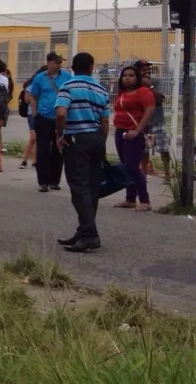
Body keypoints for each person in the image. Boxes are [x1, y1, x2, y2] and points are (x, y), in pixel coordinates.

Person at [54, 52, 111, 253]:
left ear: (72, 68)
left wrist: (60, 134)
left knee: (79, 187)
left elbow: (61, 113)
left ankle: (89, 235)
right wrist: (101, 141)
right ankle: (84, 229)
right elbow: (105, 122)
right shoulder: (101, 89)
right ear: (91, 67)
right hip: (96, 139)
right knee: (92, 187)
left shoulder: (67, 86)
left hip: (76, 139)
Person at [25, 53, 71, 193]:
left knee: (59, 150)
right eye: (56, 62)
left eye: (60, 62)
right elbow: (33, 96)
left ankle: (54, 181)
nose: (59, 65)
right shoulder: (40, 78)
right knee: (43, 150)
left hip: (61, 118)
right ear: (49, 62)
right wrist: (35, 113)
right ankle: (43, 182)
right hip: (44, 117)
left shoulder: (67, 77)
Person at [110, 66, 155, 212]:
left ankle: (144, 200)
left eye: (131, 75)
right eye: (125, 75)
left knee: (132, 166)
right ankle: (130, 198)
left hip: (134, 132)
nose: (127, 78)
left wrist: (137, 130)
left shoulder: (143, 92)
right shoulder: (122, 93)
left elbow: (149, 111)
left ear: (137, 78)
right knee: (125, 166)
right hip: (121, 130)